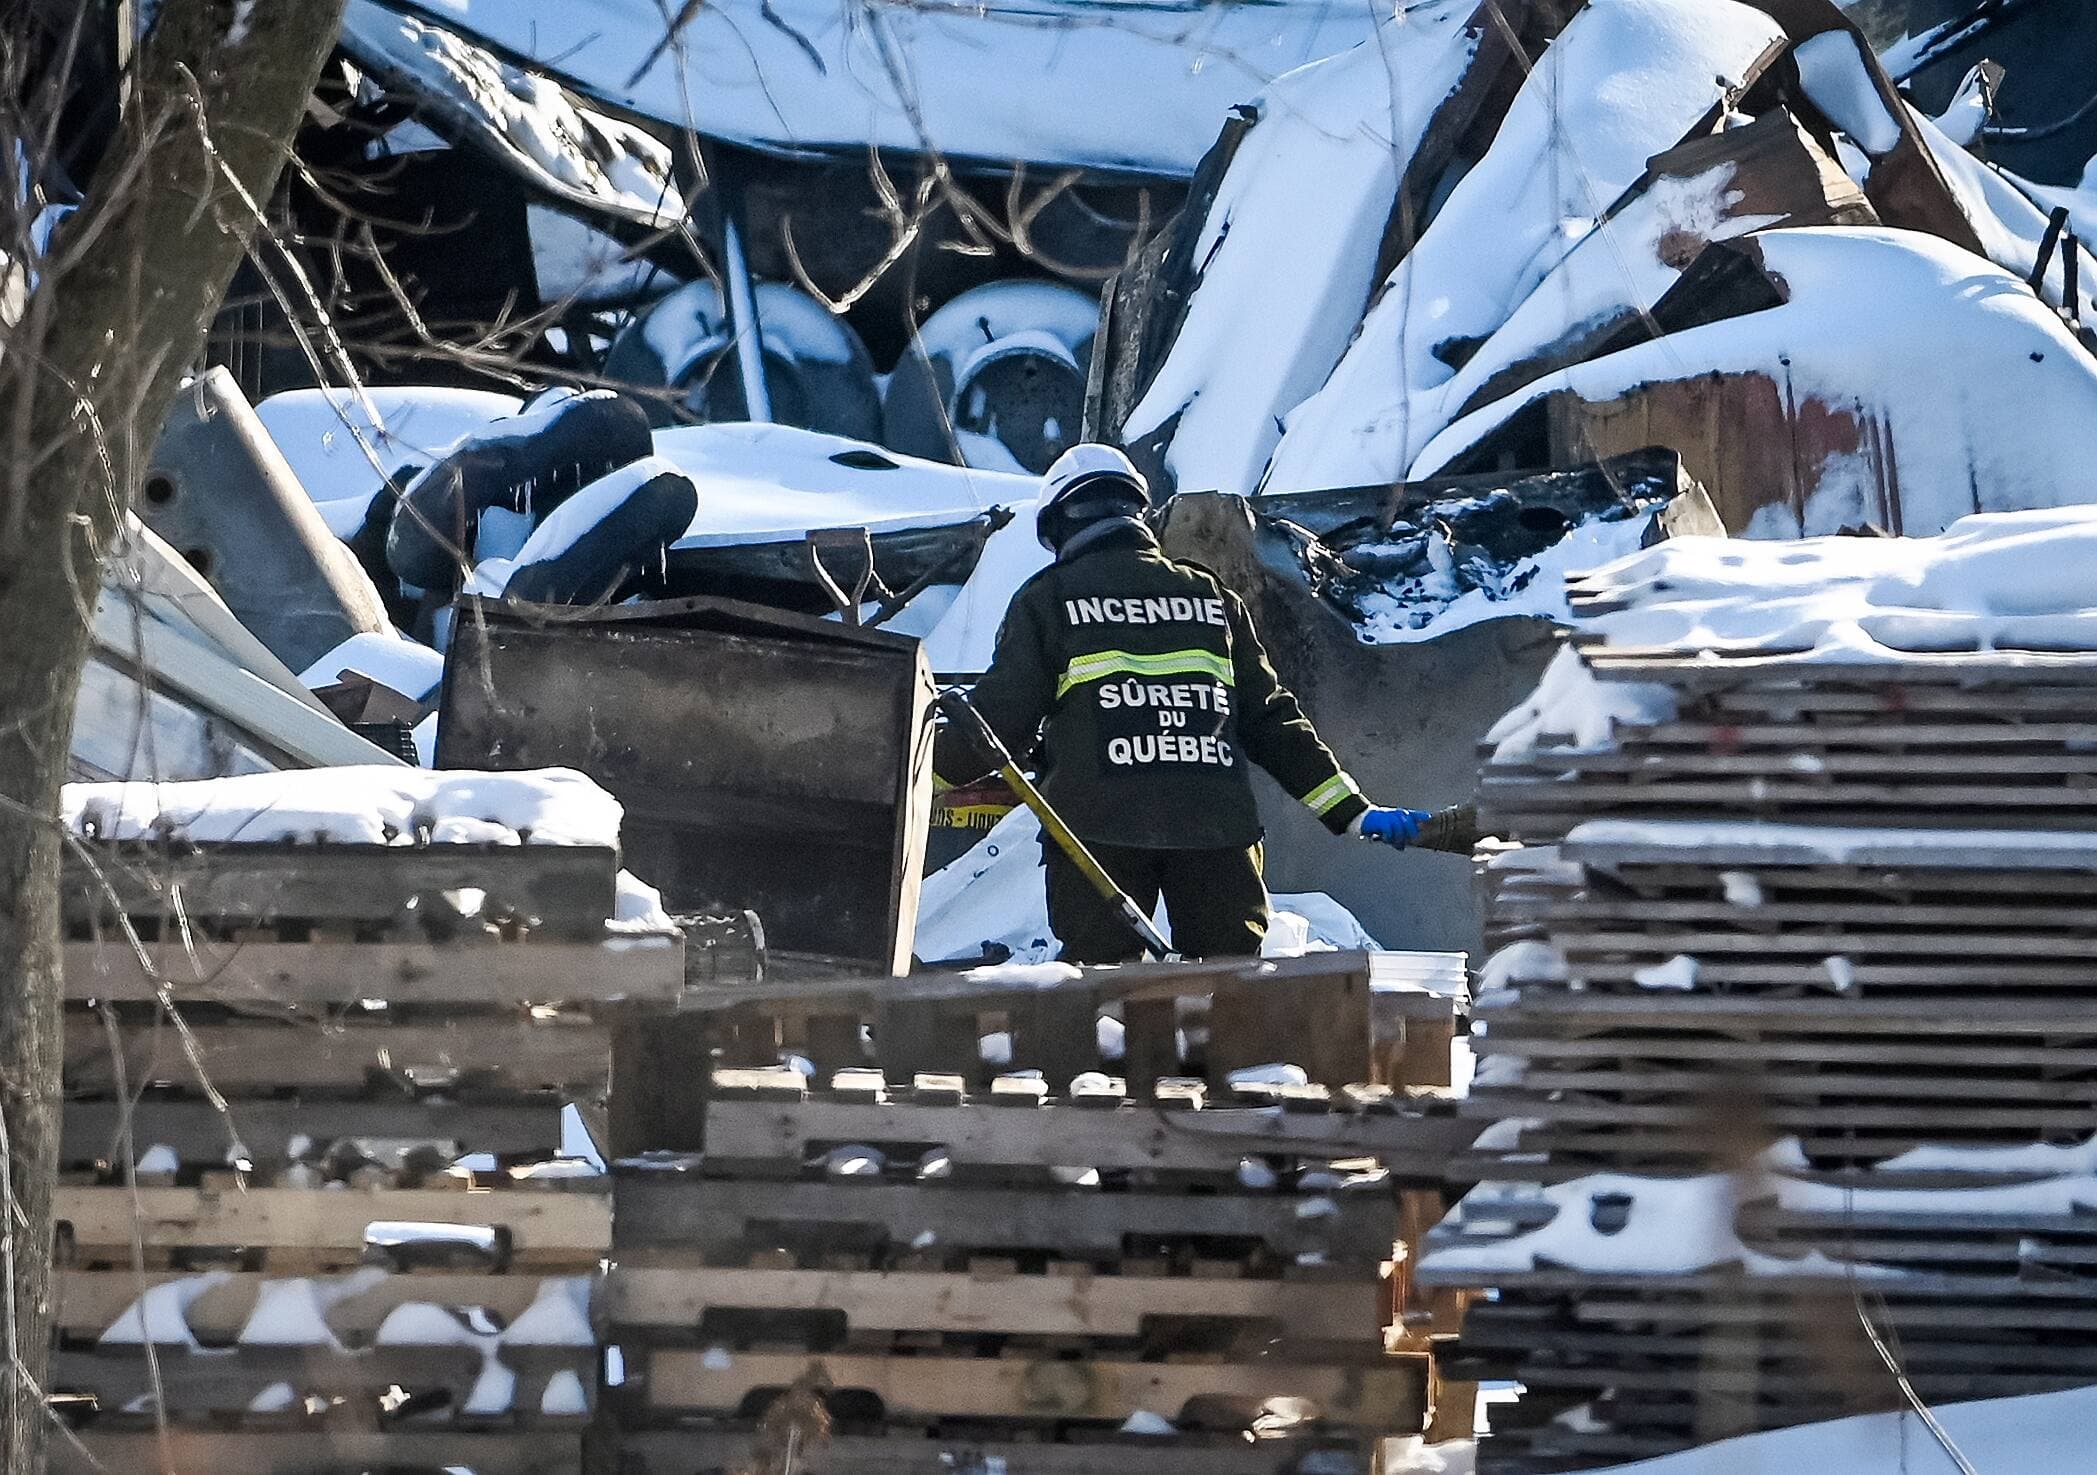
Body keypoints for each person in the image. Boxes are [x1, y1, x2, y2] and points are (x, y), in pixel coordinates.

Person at [934, 443, 1430, 964]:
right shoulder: (1212, 598)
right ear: (1139, 512)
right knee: (1230, 986)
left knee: (1102, 991)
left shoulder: (1049, 600)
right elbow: (1272, 722)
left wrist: (934, 765)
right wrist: (1352, 812)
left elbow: (998, 726)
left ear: (1057, 526)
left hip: (1100, 835)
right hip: (1215, 830)